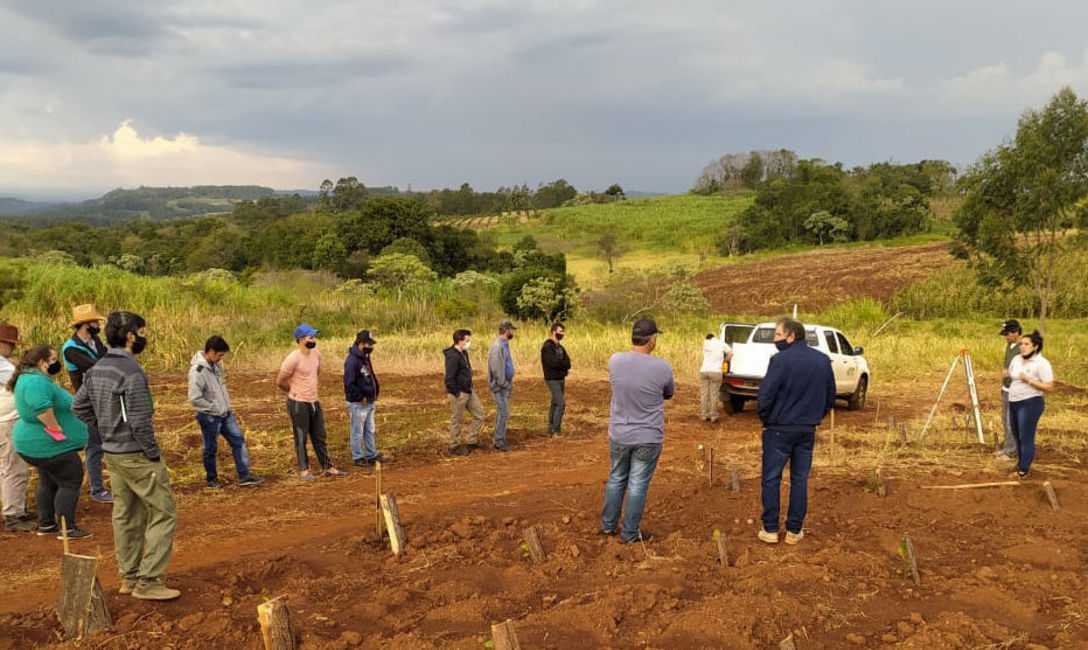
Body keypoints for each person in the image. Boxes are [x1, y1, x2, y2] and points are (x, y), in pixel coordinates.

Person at [73, 311, 180, 600]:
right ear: (131, 335)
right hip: (136, 455)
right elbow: (140, 420)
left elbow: (78, 407)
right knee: (163, 511)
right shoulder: (131, 372)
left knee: (126, 514)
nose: (144, 337)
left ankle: (129, 577)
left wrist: (106, 428)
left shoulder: (97, 369)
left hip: (113, 455)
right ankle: (148, 581)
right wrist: (153, 453)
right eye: (142, 332)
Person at [756, 317, 835, 546]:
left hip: (778, 429)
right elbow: (830, 396)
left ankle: (770, 529)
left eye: (778, 335)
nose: (775, 339)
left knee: (771, 479)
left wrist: (767, 419)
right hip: (806, 430)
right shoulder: (821, 360)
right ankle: (794, 530)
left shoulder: (780, 360)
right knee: (799, 480)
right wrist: (814, 417)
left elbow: (765, 396)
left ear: (792, 336)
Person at [600, 318, 674, 544]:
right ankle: (630, 533)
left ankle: (608, 526)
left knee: (616, 478)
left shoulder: (615, 360)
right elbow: (668, 393)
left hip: (620, 433)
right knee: (638, 484)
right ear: (651, 340)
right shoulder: (662, 367)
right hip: (647, 436)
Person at [11, 345, 90, 539]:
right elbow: (40, 407)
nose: (57, 364)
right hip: (49, 445)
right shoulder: (36, 382)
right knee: (70, 480)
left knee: (48, 480)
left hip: (35, 444)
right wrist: (56, 428)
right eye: (54, 360)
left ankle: (46, 524)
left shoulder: (28, 378)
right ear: (42, 362)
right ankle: (67, 529)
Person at [188, 336, 265, 489]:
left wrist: (224, 407)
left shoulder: (217, 366)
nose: (221, 358)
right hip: (209, 416)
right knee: (210, 449)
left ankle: (244, 476)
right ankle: (212, 480)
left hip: (225, 414)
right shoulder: (198, 371)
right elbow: (194, 398)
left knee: (239, 442)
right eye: (220, 355)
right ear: (210, 351)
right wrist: (213, 407)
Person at [276, 324, 347, 480]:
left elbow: (316, 373)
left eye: (314, 337)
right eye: (311, 337)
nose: (314, 340)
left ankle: (328, 467)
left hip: (314, 401)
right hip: (298, 403)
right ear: (301, 340)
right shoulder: (292, 358)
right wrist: (294, 391)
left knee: (320, 435)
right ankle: (304, 470)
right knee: (301, 437)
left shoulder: (316, 354)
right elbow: (280, 381)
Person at [61, 303, 112, 503]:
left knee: (103, 443)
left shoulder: (95, 341)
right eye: (94, 321)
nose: (97, 324)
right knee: (94, 446)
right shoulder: (70, 349)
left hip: (102, 397)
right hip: (89, 402)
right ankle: (97, 489)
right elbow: (98, 367)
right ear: (84, 324)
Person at [0, 324, 35, 532]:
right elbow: (23, 378)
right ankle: (13, 514)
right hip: (8, 420)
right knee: (15, 466)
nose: (12, 349)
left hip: (4, 419)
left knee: (7, 467)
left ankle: (14, 508)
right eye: (10, 345)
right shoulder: (3, 365)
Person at [1007, 330, 1054, 478]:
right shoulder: (1016, 359)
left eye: (1027, 344)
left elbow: (1049, 386)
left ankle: (1023, 470)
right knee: (1016, 435)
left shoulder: (1041, 363)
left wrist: (1029, 380)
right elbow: (1012, 375)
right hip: (1013, 401)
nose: (1022, 346)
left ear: (1035, 346)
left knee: (1025, 436)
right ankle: (1021, 463)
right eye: (1021, 344)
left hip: (1030, 403)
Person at [344, 329, 384, 467]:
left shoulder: (364, 358)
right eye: (369, 344)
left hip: (369, 400)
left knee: (369, 429)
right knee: (357, 431)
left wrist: (375, 390)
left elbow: (370, 376)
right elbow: (349, 383)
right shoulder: (352, 361)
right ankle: (358, 456)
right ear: (361, 344)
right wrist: (360, 397)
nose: (371, 347)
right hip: (359, 403)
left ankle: (371, 454)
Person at [444, 329, 486, 456]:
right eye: (467, 340)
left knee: (479, 414)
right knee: (457, 419)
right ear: (460, 341)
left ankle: (472, 441)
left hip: (468, 390)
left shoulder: (464, 353)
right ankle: (454, 446)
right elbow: (449, 378)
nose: (469, 343)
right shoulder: (452, 356)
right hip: (459, 393)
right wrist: (456, 393)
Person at [487, 320, 516, 452]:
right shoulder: (498, 346)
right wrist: (503, 383)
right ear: (506, 330)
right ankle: (499, 441)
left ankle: (499, 439)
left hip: (505, 384)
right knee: (503, 412)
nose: (513, 332)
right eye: (512, 330)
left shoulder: (504, 344)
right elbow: (496, 368)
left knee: (502, 412)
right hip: (500, 386)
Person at [996, 319, 1022, 460]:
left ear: (1016, 332)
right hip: (1007, 388)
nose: (1006, 337)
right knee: (1004, 419)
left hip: (1016, 389)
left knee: (1011, 421)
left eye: (1008, 334)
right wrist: (1003, 385)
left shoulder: (1022, 348)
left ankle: (1011, 452)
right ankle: (1008, 447)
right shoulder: (1010, 345)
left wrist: (1011, 375)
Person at [540, 322, 571, 436]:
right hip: (552, 379)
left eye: (563, 331)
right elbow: (553, 363)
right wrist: (562, 365)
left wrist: (562, 365)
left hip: (561, 378)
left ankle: (552, 429)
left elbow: (568, 362)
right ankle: (555, 429)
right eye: (560, 331)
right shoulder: (548, 347)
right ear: (554, 332)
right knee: (560, 403)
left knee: (555, 403)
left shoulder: (561, 348)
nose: (562, 333)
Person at [699, 333, 733, 423]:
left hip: (704, 370)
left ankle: (704, 416)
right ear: (714, 337)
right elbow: (731, 352)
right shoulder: (721, 343)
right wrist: (725, 360)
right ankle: (713, 416)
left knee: (704, 394)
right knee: (714, 394)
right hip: (716, 371)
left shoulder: (705, 343)